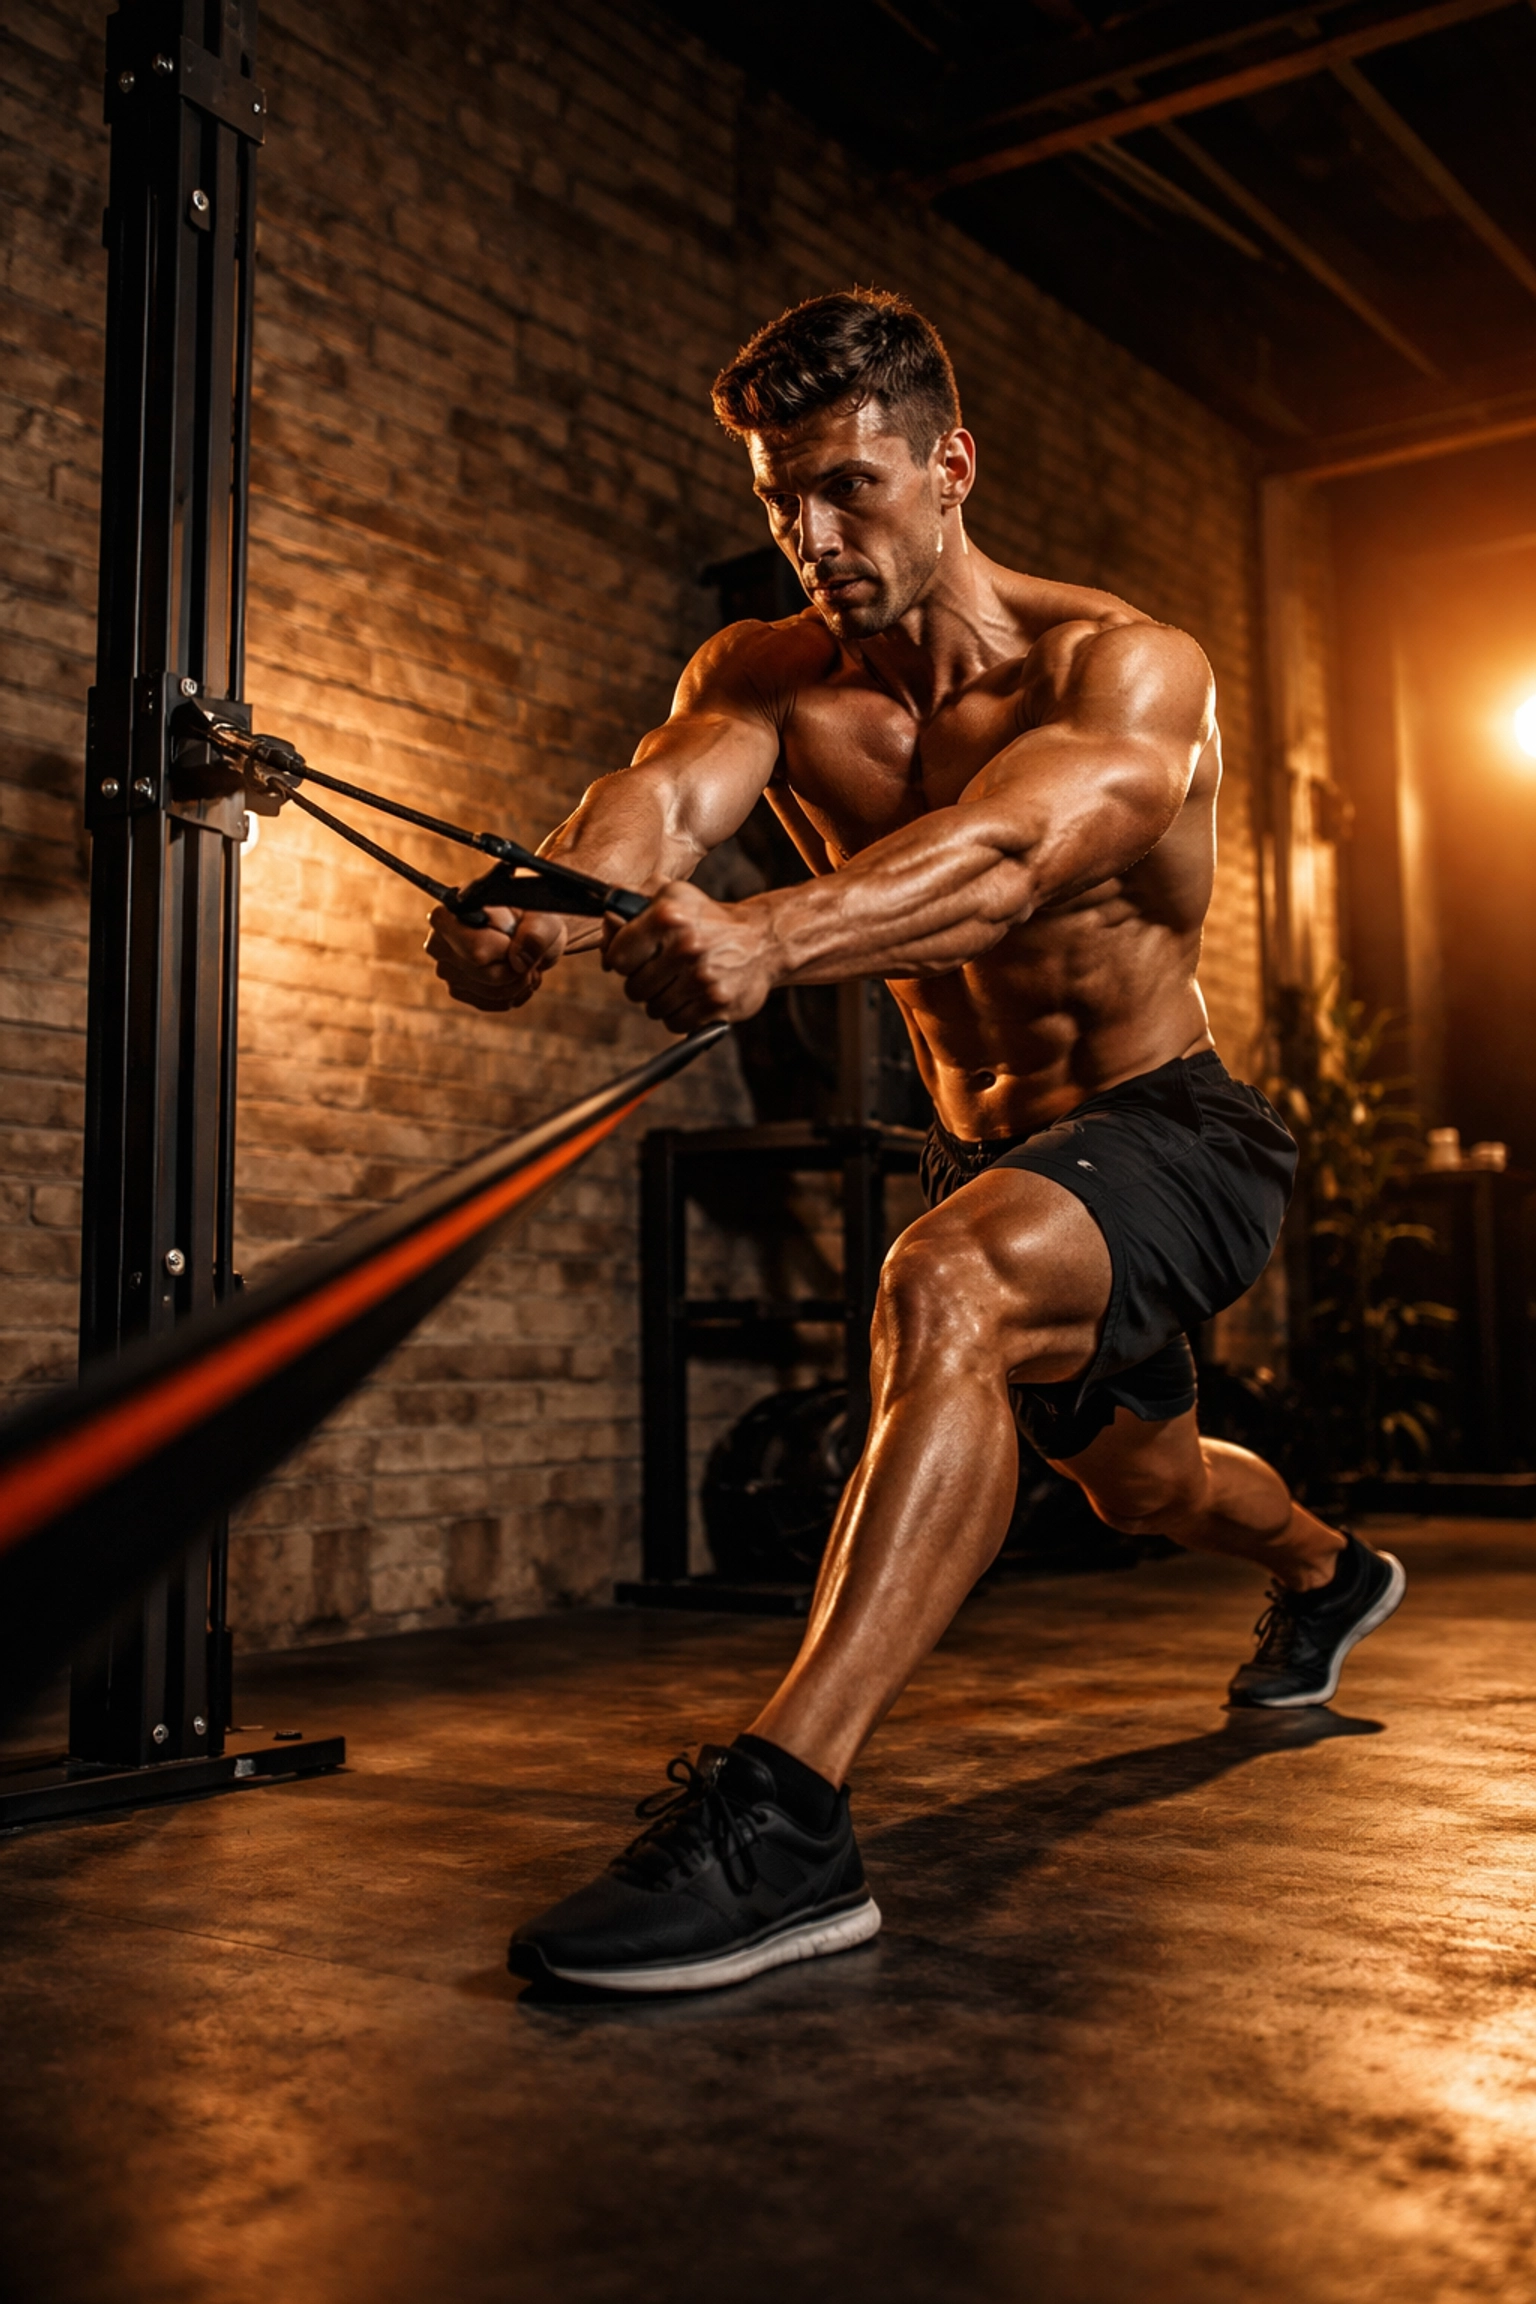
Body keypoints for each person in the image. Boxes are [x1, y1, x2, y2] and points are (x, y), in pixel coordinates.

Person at [426, 289, 1405, 1996]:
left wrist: (775, 940)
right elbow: (656, 809)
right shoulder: (770, 679)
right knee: (1146, 1481)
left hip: (1176, 1134)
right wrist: (538, 915)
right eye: (779, 499)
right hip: (1004, 1160)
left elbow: (1014, 856)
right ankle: (1328, 1573)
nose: (813, 537)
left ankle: (789, 1814)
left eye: (850, 488)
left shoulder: (1127, 665)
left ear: (949, 468)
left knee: (939, 1284)